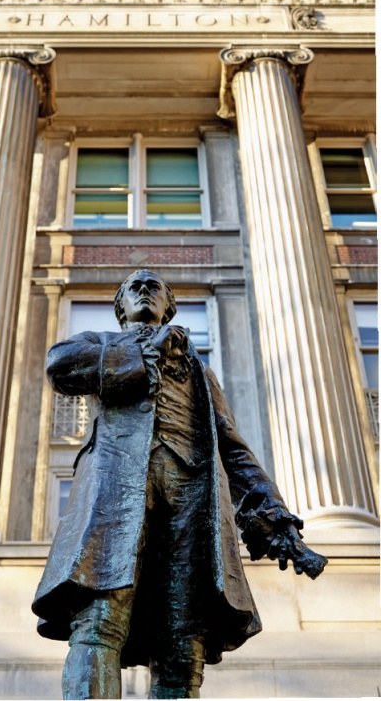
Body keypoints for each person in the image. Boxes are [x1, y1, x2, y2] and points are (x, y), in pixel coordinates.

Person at [32, 269, 327, 700]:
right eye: (134, 286)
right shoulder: (98, 343)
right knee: (99, 619)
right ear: (121, 308)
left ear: (168, 305)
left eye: (155, 286)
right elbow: (60, 366)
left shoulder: (200, 374)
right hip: (114, 495)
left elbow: (233, 448)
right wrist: (147, 349)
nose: (145, 290)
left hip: (191, 502)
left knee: (183, 640)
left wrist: (276, 517)